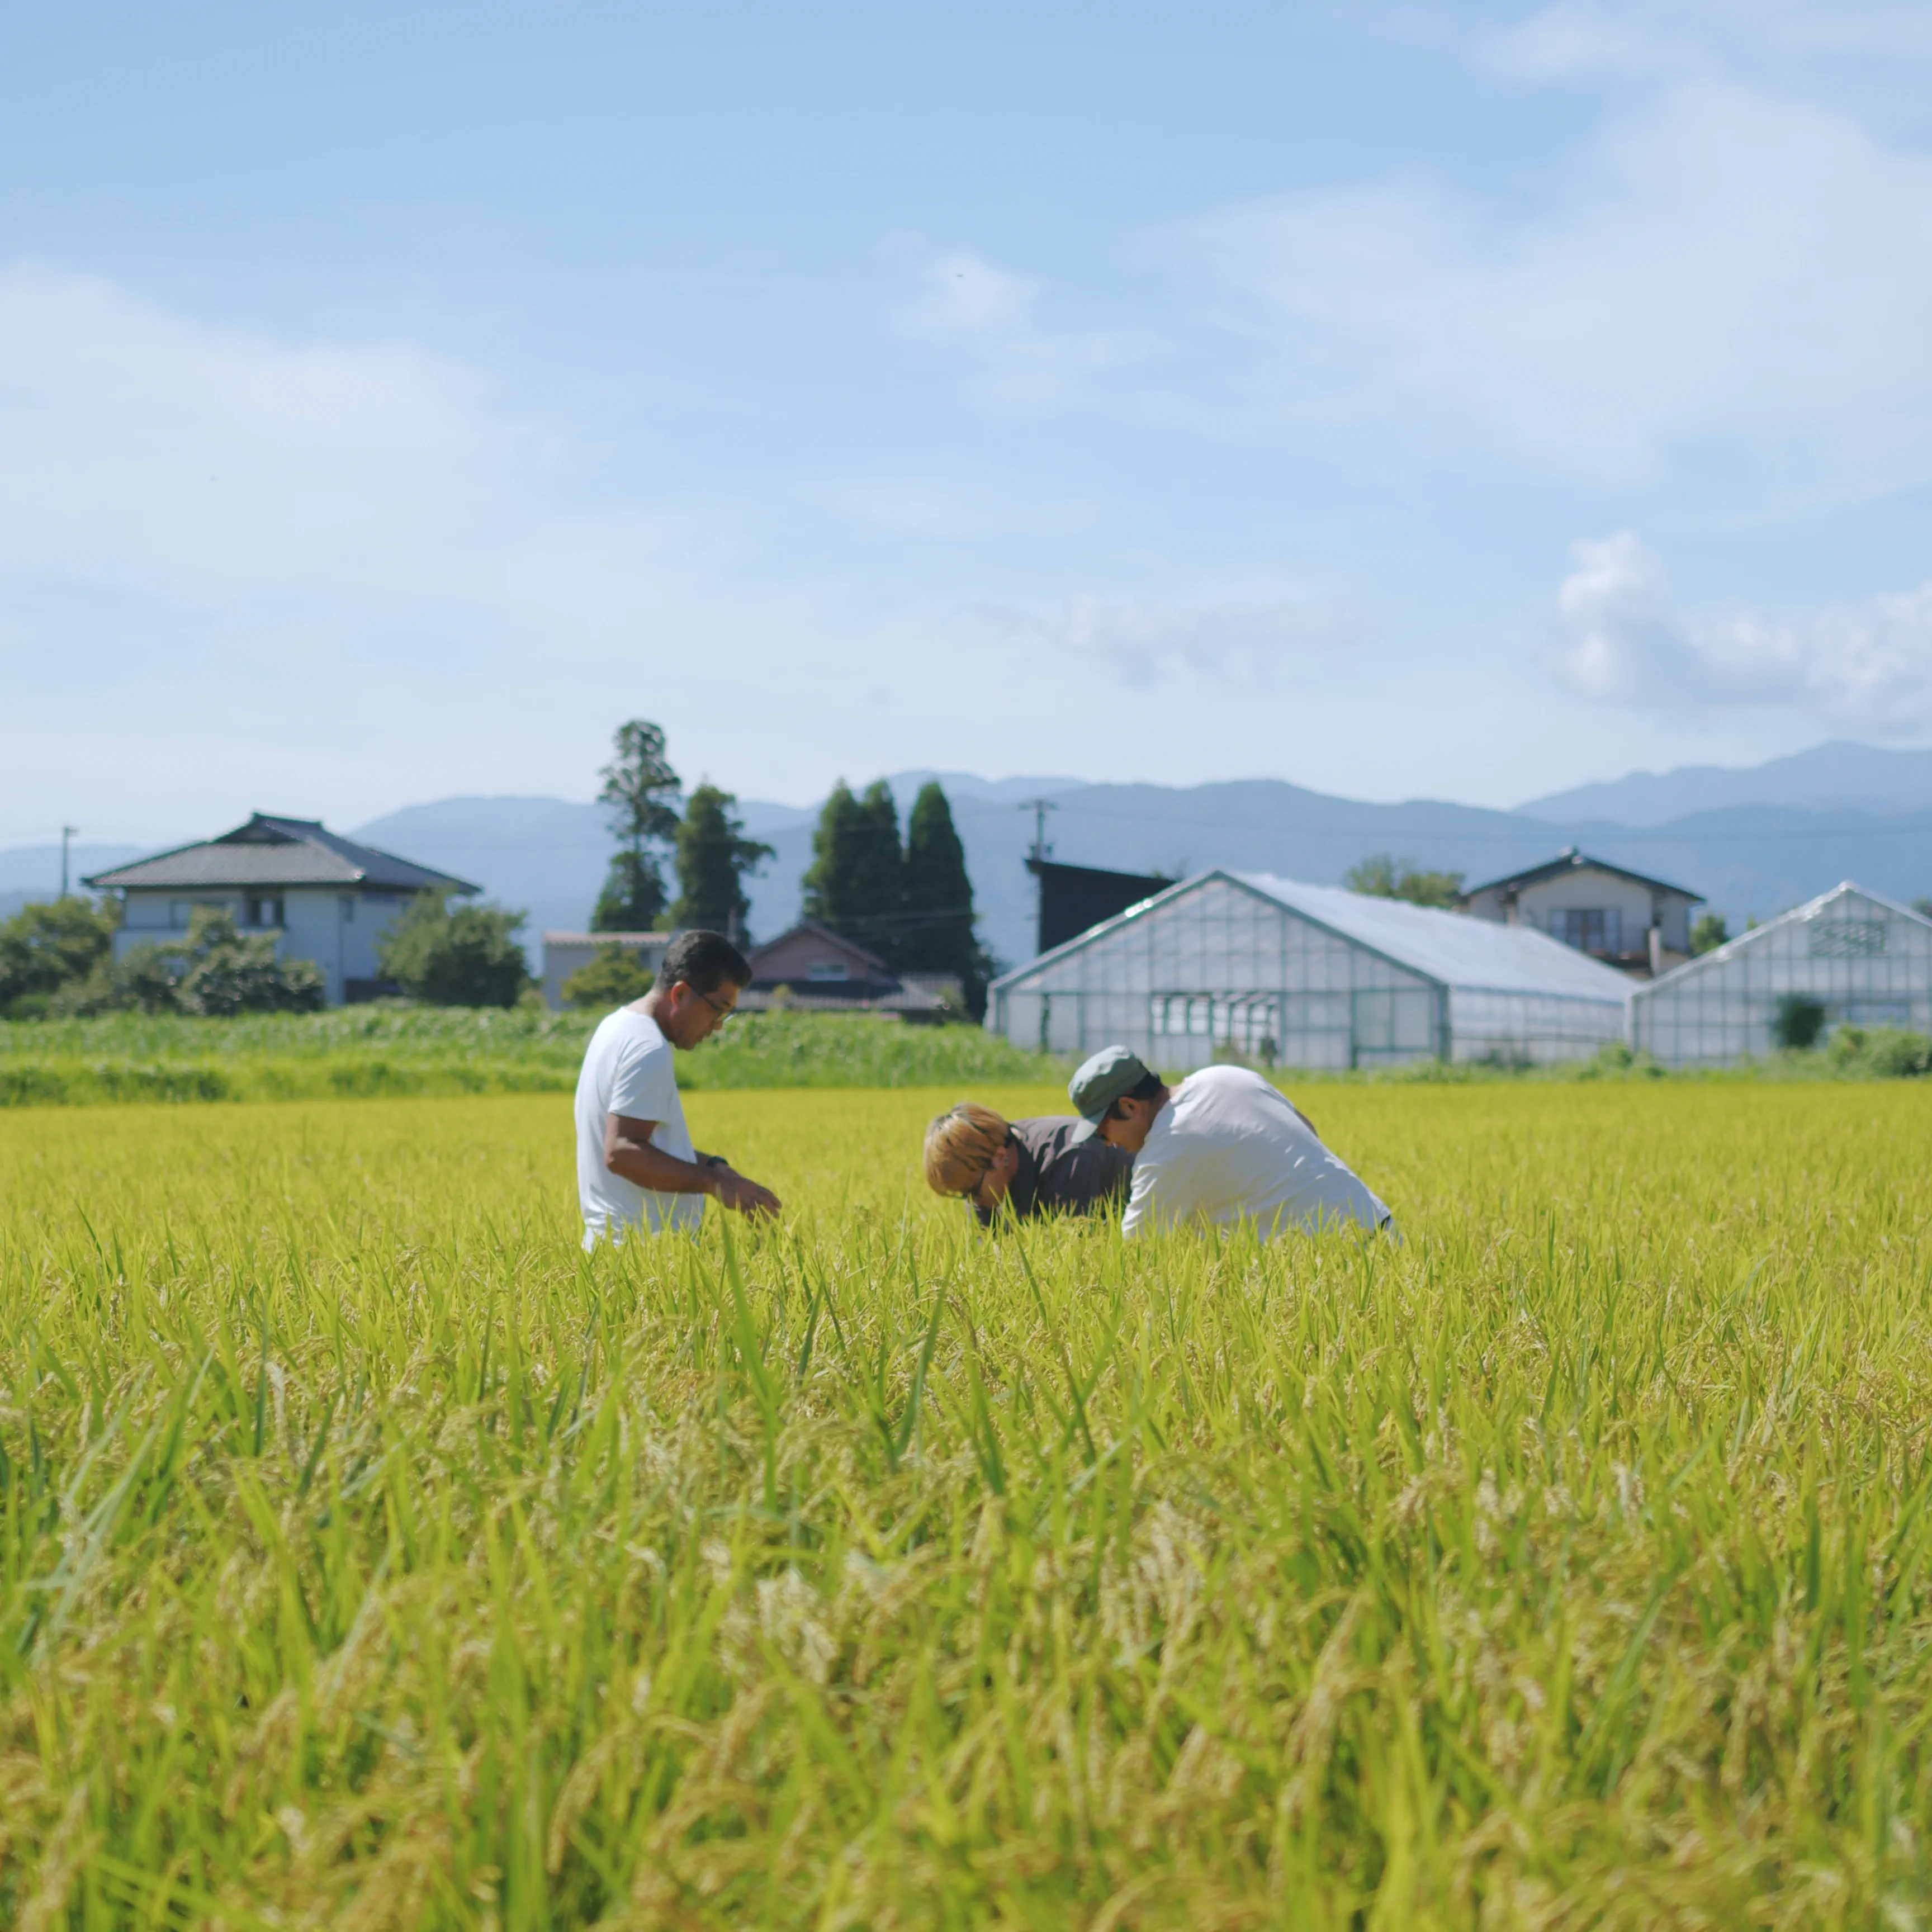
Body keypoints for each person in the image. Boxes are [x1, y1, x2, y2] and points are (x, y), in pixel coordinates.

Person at [575, 929, 781, 1247]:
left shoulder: (616, 1026)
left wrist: (716, 1168)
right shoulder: (648, 1048)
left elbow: (646, 1144)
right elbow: (622, 1152)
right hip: (641, 1257)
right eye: (718, 1009)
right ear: (681, 994)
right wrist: (712, 1183)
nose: (718, 1026)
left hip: (621, 1250)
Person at [1068, 1045, 1393, 1240]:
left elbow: (1136, 1256)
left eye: (1102, 1131)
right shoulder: (1225, 1075)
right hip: (1381, 1229)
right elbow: (1308, 1130)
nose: (1107, 1144)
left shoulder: (1166, 1149)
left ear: (1129, 1107)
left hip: (1335, 1265)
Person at [922, 1101, 1133, 1227]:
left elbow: (1075, 1253)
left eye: (972, 1191)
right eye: (963, 1195)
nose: (972, 1201)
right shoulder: (981, 1176)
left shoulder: (1068, 1158)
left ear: (999, 1157)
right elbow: (988, 1252)